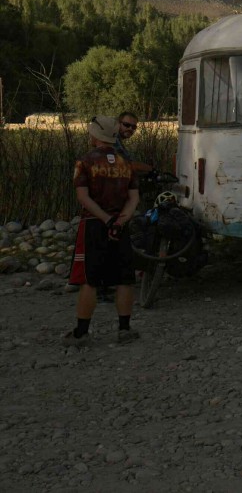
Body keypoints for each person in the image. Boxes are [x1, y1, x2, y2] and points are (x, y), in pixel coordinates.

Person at [64, 115, 141, 346]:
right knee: (124, 278)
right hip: (121, 225)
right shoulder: (125, 163)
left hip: (94, 225)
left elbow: (83, 197)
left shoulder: (85, 162)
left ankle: (81, 333)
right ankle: (124, 329)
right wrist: (119, 222)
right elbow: (134, 198)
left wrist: (106, 220)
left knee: (90, 280)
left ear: (96, 135)